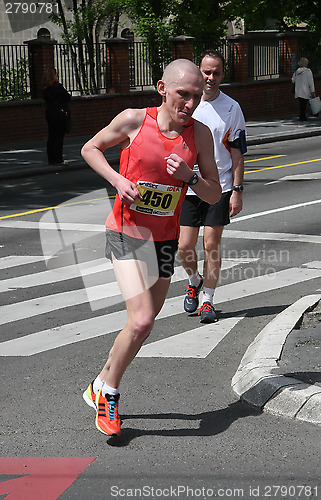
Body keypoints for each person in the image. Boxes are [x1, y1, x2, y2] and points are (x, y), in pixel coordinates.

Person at [81, 58, 221, 436]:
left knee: (142, 325)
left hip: (164, 237)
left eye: (196, 96)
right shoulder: (133, 119)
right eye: (183, 94)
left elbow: (213, 192)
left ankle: (98, 384)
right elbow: (90, 148)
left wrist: (190, 176)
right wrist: (116, 179)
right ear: (163, 89)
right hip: (127, 232)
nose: (190, 103)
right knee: (142, 319)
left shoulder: (201, 135)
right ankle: (109, 394)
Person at [178, 49, 246, 324]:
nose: (211, 77)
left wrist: (238, 190)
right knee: (184, 247)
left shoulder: (232, 108)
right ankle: (194, 280)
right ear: (199, 71)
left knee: (211, 243)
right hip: (188, 186)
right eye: (206, 71)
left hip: (220, 186)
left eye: (216, 72)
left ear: (222, 74)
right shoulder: (187, 104)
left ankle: (208, 300)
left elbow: (237, 153)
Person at [42, 67, 71, 165]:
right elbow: (67, 97)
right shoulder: (57, 87)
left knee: (51, 136)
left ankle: (51, 159)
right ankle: (59, 159)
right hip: (59, 113)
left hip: (50, 113)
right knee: (59, 137)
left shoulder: (45, 88)